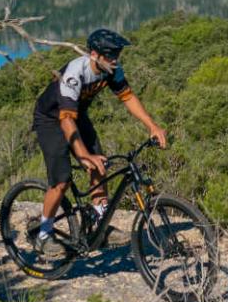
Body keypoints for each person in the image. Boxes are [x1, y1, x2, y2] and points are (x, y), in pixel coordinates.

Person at [31, 28, 169, 244]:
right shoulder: (75, 73)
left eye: (118, 55)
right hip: (51, 119)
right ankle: (44, 233)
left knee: (101, 163)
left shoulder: (112, 69)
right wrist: (84, 155)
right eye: (110, 55)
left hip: (76, 116)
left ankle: (98, 222)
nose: (115, 59)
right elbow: (66, 120)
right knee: (62, 181)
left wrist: (152, 125)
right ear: (94, 54)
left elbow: (127, 96)